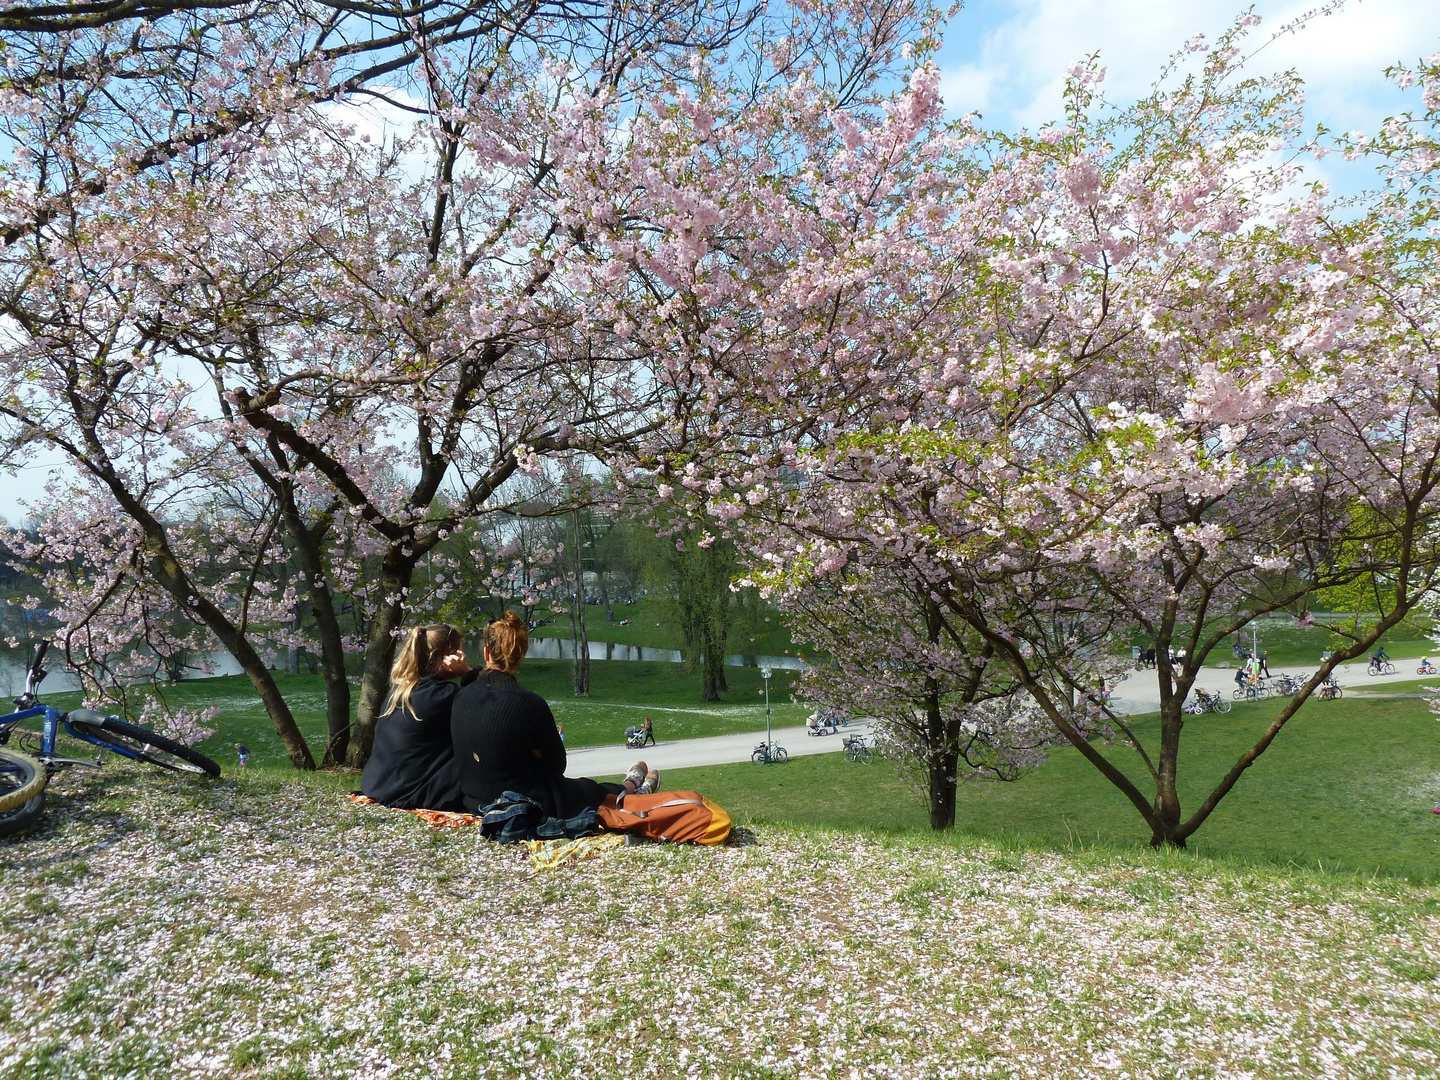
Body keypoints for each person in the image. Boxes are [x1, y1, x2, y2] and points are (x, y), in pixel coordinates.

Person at [451, 611, 657, 817]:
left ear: (486, 653)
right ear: (522, 654)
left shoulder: (461, 696)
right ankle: (631, 788)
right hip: (521, 803)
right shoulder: (528, 704)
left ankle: (630, 787)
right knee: (584, 790)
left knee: (576, 788)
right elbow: (557, 765)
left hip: (474, 800)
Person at [360, 623, 475, 811]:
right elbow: (490, 711)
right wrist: (469, 674)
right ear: (448, 656)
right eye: (460, 651)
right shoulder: (444, 695)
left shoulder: (400, 690)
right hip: (409, 793)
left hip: (377, 784)